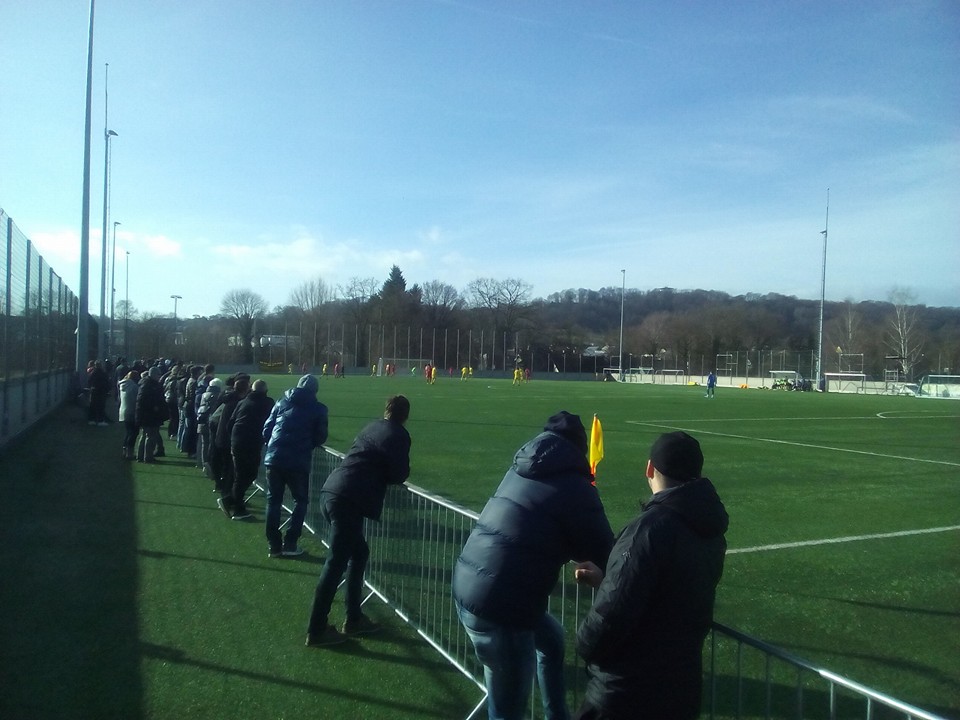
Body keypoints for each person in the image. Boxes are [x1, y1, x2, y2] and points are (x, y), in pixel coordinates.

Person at [452, 411, 615, 720]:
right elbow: (605, 551)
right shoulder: (575, 486)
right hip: (502, 607)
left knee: (551, 640)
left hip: (471, 584)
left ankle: (557, 714)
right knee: (508, 710)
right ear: (579, 450)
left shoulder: (520, 468)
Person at [573, 431, 728, 720]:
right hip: (681, 688)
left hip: (626, 692)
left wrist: (584, 643)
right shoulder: (711, 529)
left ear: (649, 469)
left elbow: (613, 613)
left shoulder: (650, 529)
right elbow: (668, 593)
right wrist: (607, 579)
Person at [305, 394, 412, 647]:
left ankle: (354, 618)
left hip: (332, 490)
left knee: (359, 553)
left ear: (386, 410)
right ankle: (317, 629)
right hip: (348, 499)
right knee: (335, 564)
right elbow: (399, 473)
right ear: (405, 416)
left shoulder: (372, 426)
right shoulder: (399, 434)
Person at [261, 374, 328, 559]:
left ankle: (274, 545)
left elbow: (267, 429)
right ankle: (290, 542)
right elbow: (321, 436)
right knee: (300, 501)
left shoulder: (281, 402)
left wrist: (273, 446)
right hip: (298, 461)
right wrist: (307, 444)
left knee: (273, 501)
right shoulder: (319, 409)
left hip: (274, 459)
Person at [228, 379, 275, 520]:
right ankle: (236, 507)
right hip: (251, 443)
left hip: (237, 440)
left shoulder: (243, 402)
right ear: (265, 391)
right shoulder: (267, 403)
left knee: (241, 475)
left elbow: (231, 422)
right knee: (247, 475)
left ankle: (232, 501)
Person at [136, 366, 168, 463]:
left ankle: (140, 456)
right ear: (154, 375)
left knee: (144, 435)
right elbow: (143, 400)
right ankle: (148, 457)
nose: (159, 376)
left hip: (145, 414)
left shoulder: (145, 383)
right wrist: (154, 406)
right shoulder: (149, 385)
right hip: (150, 414)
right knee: (150, 436)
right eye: (158, 375)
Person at [117, 370, 141, 460]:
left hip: (124, 410)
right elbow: (137, 399)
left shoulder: (122, 385)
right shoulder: (134, 387)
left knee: (128, 432)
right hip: (132, 411)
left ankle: (125, 450)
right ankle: (129, 453)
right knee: (133, 433)